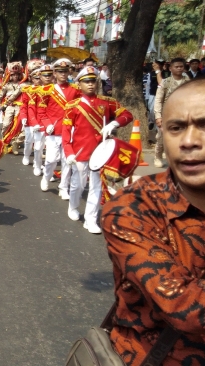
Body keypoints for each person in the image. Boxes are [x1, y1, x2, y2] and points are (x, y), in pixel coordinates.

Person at [102, 78, 205, 366]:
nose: (189, 141)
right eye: (176, 128)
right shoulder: (131, 206)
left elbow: (120, 113)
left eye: (204, 125)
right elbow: (185, 307)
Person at [62, 66, 132, 234]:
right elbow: (66, 131)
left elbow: (127, 115)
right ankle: (73, 205)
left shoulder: (107, 102)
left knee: (96, 187)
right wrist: (69, 152)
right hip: (80, 152)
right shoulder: (73, 105)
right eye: (86, 81)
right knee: (78, 185)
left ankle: (90, 219)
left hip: (100, 152)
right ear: (79, 84)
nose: (91, 84)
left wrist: (114, 123)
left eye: (93, 81)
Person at [37, 58, 81, 199]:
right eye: (59, 71)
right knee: (51, 159)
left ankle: (63, 187)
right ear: (54, 73)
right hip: (53, 131)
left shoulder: (75, 90)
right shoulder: (47, 90)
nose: (63, 74)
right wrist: (47, 124)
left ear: (69, 72)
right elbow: (41, 112)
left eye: (65, 71)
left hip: (69, 130)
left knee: (67, 160)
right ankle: (46, 177)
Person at [154, 57, 189, 169]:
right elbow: (158, 100)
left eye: (181, 67)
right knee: (161, 137)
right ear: (170, 68)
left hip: (183, 114)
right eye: (177, 67)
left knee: (181, 138)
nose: (179, 69)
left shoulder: (187, 82)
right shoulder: (165, 82)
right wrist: (158, 116)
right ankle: (158, 157)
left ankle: (177, 159)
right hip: (167, 114)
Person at [0, 62, 23, 154]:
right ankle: (5, 140)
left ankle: (15, 142)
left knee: (18, 125)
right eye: (13, 75)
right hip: (9, 106)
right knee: (6, 124)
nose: (15, 76)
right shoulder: (7, 85)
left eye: (17, 75)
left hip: (19, 106)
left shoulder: (23, 84)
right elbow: (0, 95)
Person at [19, 63, 43, 167]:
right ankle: (26, 156)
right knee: (29, 141)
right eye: (36, 78)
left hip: (42, 120)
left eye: (39, 78)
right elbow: (23, 106)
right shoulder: (27, 90)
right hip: (29, 119)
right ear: (32, 79)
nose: (38, 80)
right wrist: (23, 117)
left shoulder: (47, 90)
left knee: (40, 144)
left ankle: (38, 162)